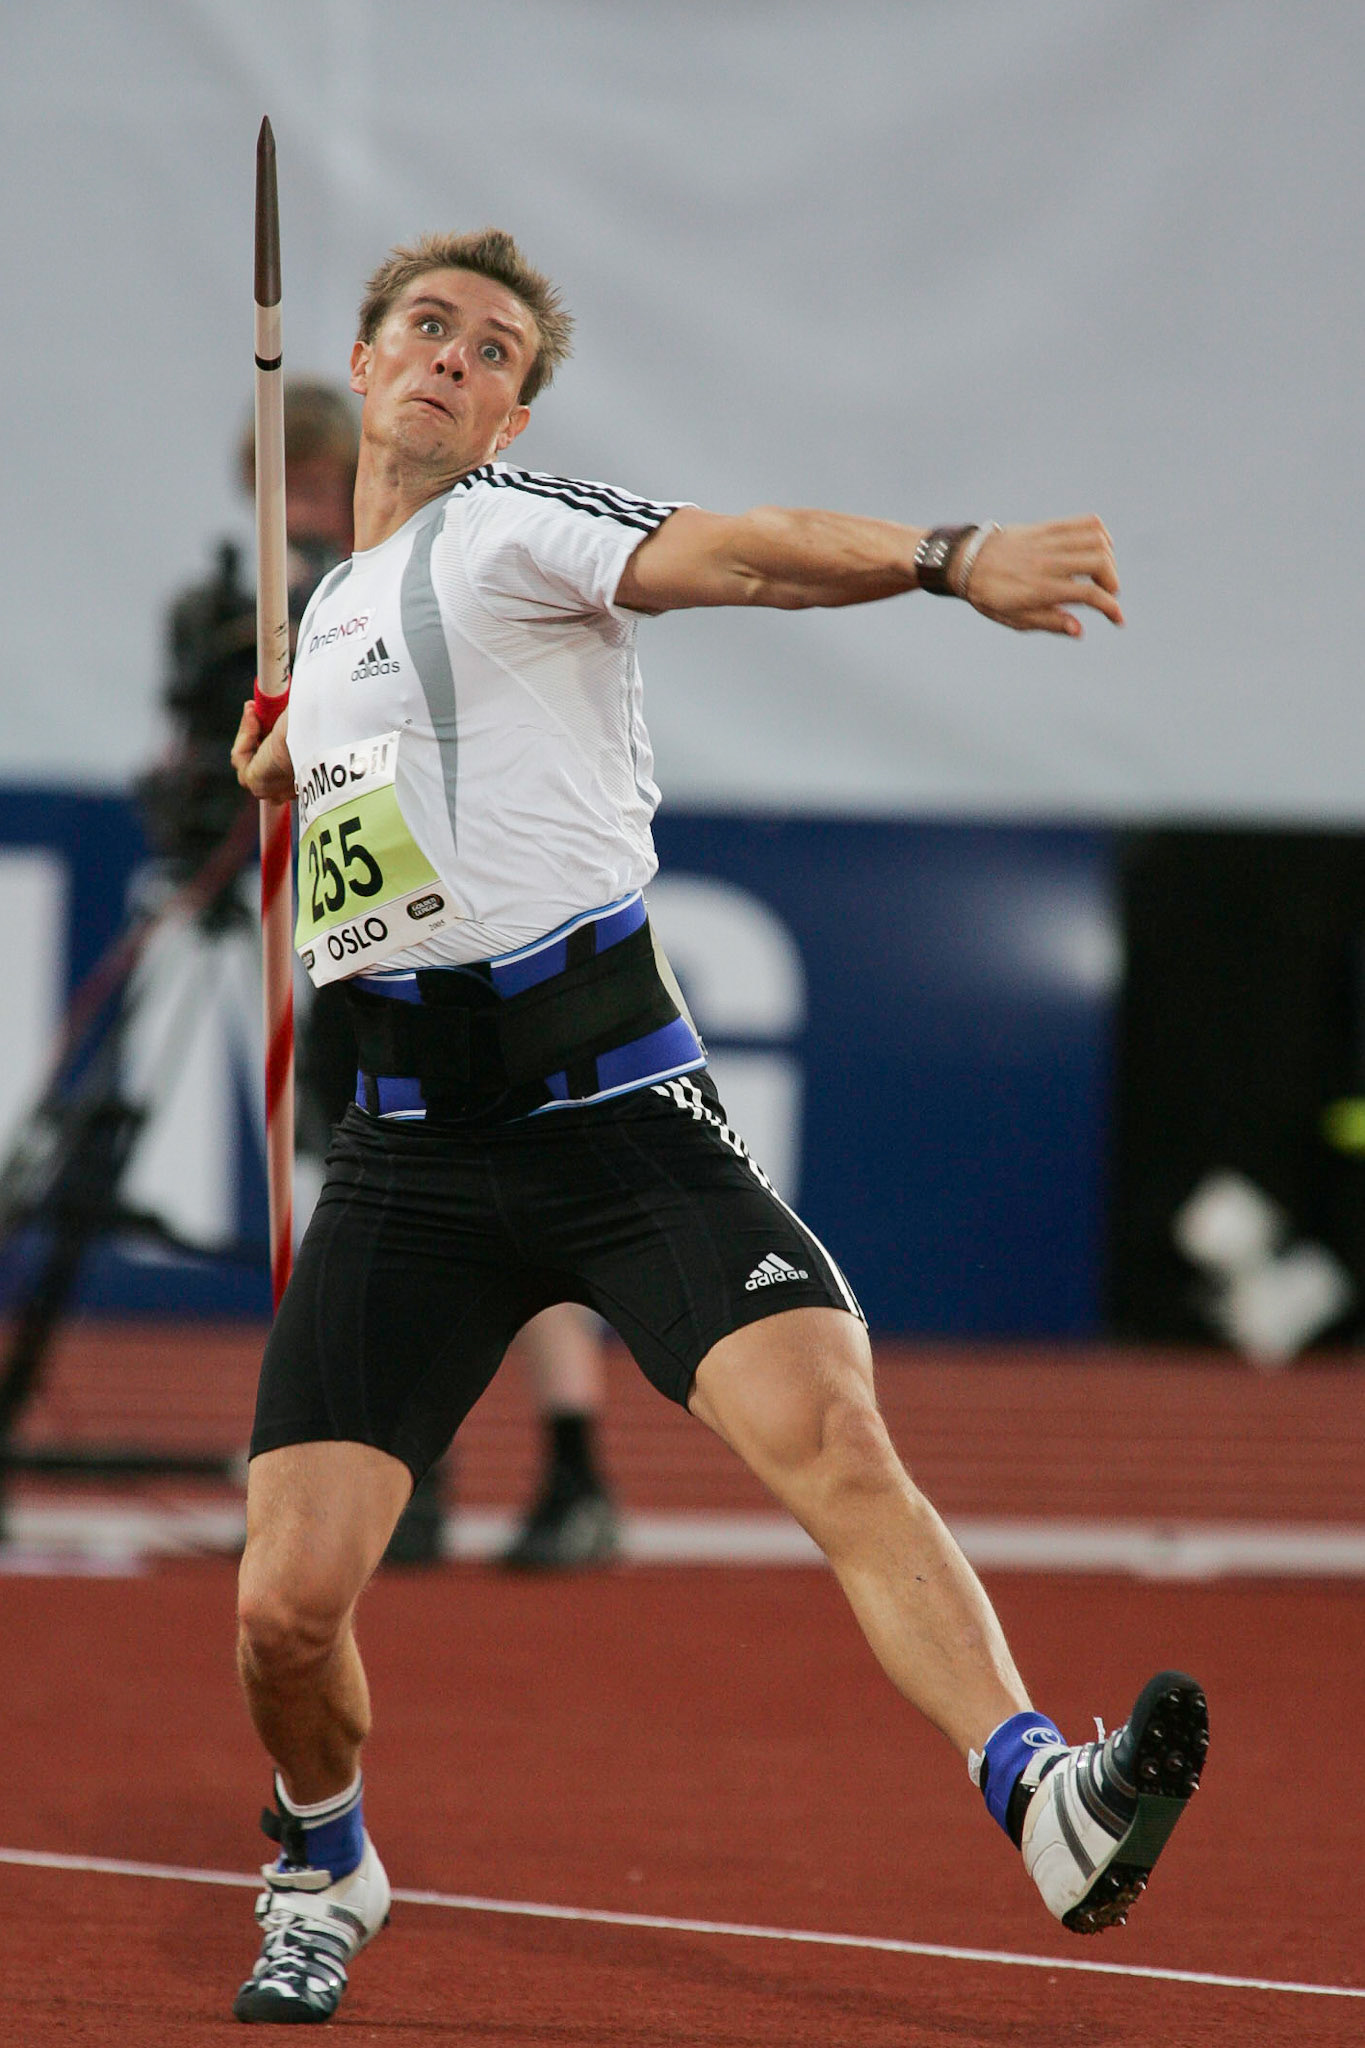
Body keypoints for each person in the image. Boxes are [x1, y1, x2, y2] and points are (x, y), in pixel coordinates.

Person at [228, 230, 1209, 2025]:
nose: (452, 359)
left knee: (832, 1435)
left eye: (493, 350)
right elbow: (404, 804)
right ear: (360, 367)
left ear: (515, 412)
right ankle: (323, 1861)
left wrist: (948, 559)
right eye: (425, 329)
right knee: (283, 1613)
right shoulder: (339, 610)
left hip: (618, 1117)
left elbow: (742, 551)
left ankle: (1040, 1794)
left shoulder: (513, 527)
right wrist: (299, 758)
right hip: (411, 1158)